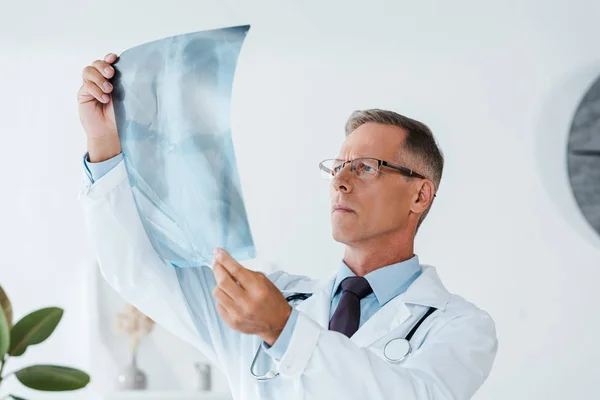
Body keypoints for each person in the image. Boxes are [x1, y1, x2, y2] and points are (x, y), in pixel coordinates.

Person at [78, 53, 498, 400]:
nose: (340, 180)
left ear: (420, 196)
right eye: (338, 167)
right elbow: (138, 273)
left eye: (366, 167)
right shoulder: (266, 300)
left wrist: (284, 329)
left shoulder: (460, 326)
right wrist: (104, 143)